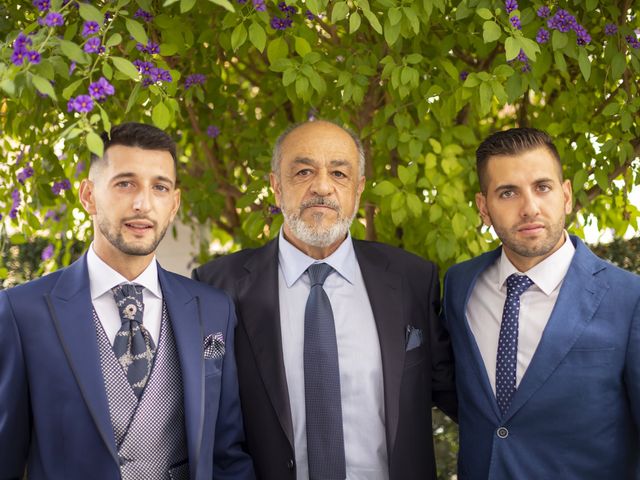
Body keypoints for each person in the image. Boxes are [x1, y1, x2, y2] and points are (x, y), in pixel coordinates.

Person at [192, 120, 457, 480]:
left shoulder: (411, 279)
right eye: (303, 171)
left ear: (358, 190)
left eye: (339, 173)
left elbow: (457, 393)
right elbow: (207, 420)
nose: (321, 186)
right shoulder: (217, 286)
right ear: (276, 186)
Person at [0, 122, 255, 480]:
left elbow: (227, 454)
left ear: (174, 204)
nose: (143, 203)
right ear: (88, 196)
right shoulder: (21, 312)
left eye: (159, 187)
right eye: (125, 183)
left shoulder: (213, 309)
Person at [442, 127, 640, 479]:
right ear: (484, 208)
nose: (529, 208)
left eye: (542, 187)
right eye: (508, 193)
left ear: (565, 195)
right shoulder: (460, 285)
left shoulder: (629, 298)